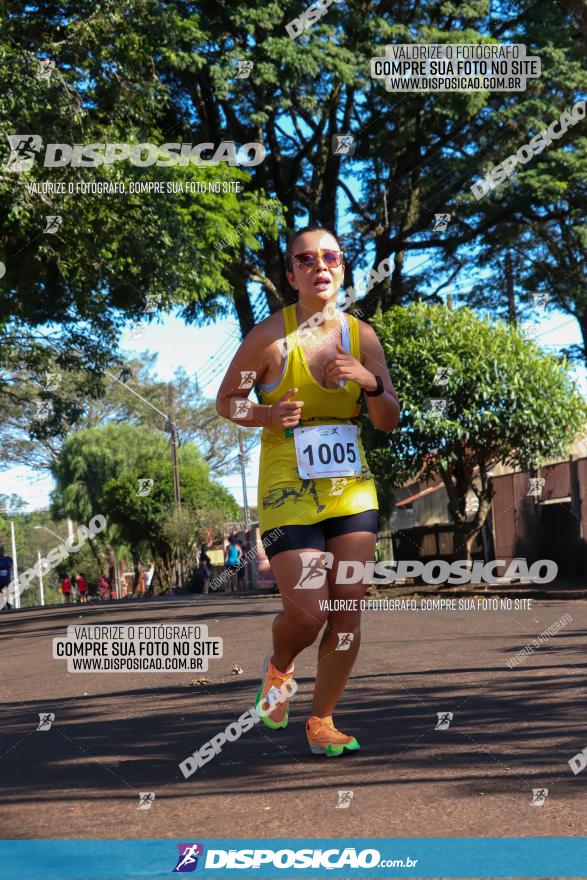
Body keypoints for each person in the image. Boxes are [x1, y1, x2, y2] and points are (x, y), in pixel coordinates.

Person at [216, 226, 400, 756]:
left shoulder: (362, 336)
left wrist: (369, 383)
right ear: (291, 274)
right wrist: (267, 413)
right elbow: (228, 401)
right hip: (287, 486)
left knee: (347, 610)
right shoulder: (270, 338)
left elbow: (387, 418)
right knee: (309, 610)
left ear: (342, 268)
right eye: (306, 259)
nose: (320, 265)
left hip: (350, 490)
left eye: (331, 257)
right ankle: (279, 671)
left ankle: (322, 720)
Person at [0, 546, 13, 610]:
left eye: (2, 551)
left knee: (8, 593)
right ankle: (2, 607)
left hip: (7, 580)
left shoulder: (8, 558)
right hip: (0, 581)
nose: (1, 552)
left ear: (4, 551)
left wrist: (8, 564)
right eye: (0, 551)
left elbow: (11, 565)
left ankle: (9, 605)